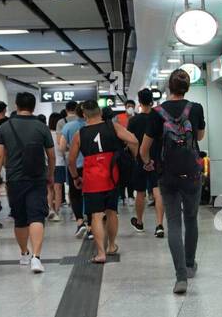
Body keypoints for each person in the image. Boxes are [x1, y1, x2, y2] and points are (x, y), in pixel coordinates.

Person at [141, 68, 205, 294]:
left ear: (169, 87)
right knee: (191, 219)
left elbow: (144, 149)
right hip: (192, 175)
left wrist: (148, 163)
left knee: (174, 224)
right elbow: (199, 137)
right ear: (187, 88)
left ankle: (180, 278)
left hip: (167, 176)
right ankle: (189, 265)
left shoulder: (157, 112)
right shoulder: (195, 109)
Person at [0, 92, 56, 274]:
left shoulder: (5, 128)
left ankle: (24, 253)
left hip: (15, 179)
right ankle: (37, 257)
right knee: (36, 216)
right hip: (37, 178)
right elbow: (51, 156)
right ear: (33, 107)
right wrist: (50, 175)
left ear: (16, 106)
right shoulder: (41, 127)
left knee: (20, 219)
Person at [69, 101, 139, 264]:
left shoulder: (80, 134)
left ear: (84, 115)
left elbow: (71, 160)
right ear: (99, 112)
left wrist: (75, 178)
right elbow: (134, 140)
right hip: (111, 175)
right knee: (111, 212)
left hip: (91, 178)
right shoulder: (112, 127)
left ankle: (101, 253)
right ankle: (112, 245)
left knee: (96, 216)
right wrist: (134, 157)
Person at [128, 88, 164, 236]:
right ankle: (160, 225)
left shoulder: (133, 120)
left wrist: (136, 156)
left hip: (139, 160)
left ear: (139, 101)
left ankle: (140, 222)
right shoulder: (158, 118)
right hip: (157, 159)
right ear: (152, 100)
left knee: (140, 192)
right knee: (157, 191)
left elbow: (130, 141)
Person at [60, 103, 87, 237]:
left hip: (74, 166)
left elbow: (62, 147)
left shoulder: (68, 127)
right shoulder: (93, 126)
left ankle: (80, 222)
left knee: (75, 195)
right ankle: (92, 225)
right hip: (93, 167)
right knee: (91, 195)